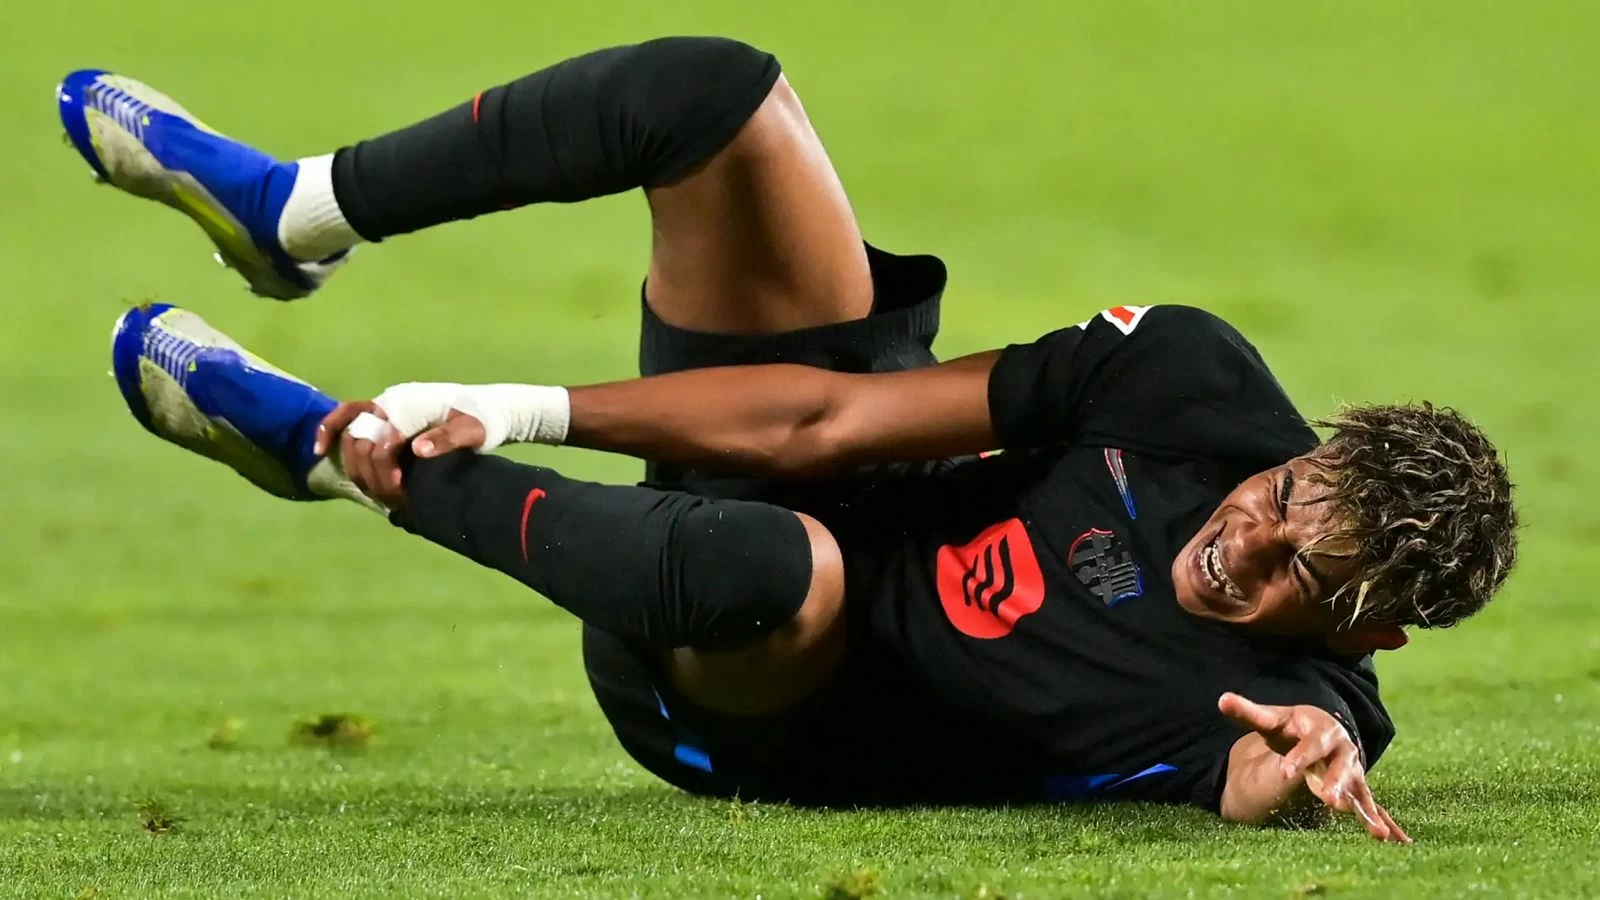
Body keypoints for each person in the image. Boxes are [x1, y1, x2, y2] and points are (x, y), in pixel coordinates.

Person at [60, 37, 1518, 842]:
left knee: (787, 564)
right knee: (719, 103)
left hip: (750, 688)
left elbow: (1272, 770)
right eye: (1279, 498)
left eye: (1299, 578)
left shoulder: (1304, 711)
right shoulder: (1193, 383)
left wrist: (1268, 789)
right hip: (818, 484)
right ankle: (298, 210)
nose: (1242, 544)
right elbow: (830, 417)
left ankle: (334, 451)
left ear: (1373, 633)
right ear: (1297, 449)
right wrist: (523, 404)